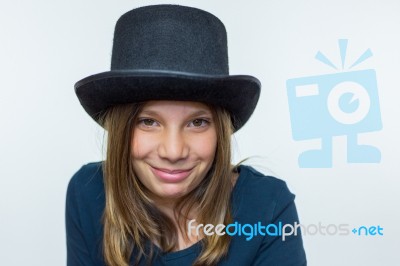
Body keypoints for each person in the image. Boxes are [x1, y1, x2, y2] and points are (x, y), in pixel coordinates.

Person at [66, 4, 307, 266]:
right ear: (122, 128)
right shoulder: (88, 191)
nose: (173, 152)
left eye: (197, 122)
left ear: (220, 130)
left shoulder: (268, 205)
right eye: (148, 121)